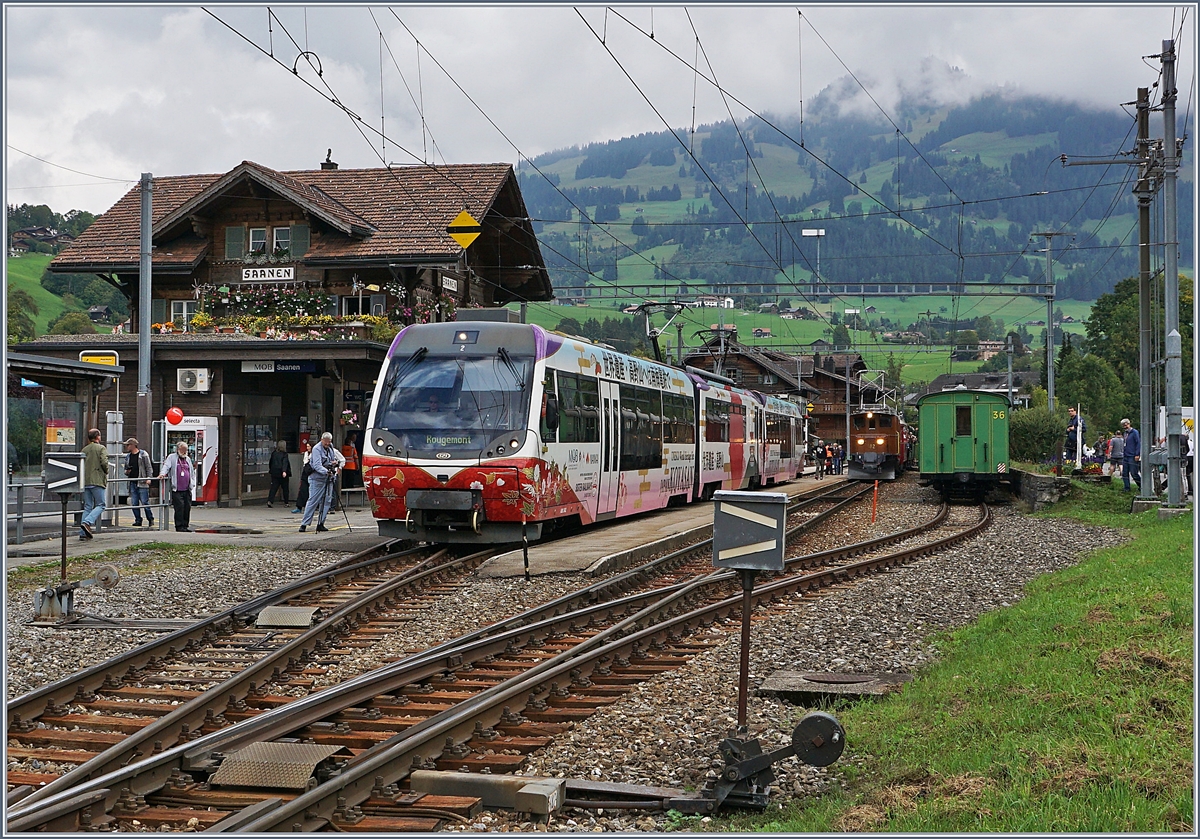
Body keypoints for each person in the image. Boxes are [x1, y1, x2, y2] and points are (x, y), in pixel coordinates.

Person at [300, 431, 345, 533]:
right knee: (313, 501)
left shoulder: (330, 448)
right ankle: (304, 524)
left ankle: (321, 523)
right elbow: (316, 465)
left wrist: (335, 463)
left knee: (327, 501)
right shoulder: (316, 449)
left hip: (328, 479)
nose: (327, 444)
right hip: (317, 479)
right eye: (325, 442)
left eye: (329, 442)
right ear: (321, 440)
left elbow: (333, 459)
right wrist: (326, 471)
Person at [159, 441, 195, 532]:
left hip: (187, 488)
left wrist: (193, 483)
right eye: (183, 449)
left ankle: (185, 525)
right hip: (177, 489)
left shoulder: (187, 459)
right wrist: (162, 474)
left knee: (187, 507)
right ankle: (179, 526)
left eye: (185, 450)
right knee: (180, 507)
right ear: (178, 449)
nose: (184, 451)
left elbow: (191, 472)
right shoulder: (172, 457)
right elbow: (166, 466)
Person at [79, 428, 108, 540]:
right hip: (97, 480)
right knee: (101, 504)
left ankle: (83, 533)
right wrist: (106, 471)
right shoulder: (101, 448)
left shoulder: (84, 450)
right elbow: (104, 462)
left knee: (87, 506)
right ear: (98, 437)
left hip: (85, 481)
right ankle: (88, 522)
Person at [123, 437, 155, 527]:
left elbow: (148, 467)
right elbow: (125, 469)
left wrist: (149, 478)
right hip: (132, 482)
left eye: (128, 445)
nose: (127, 447)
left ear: (133, 445)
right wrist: (127, 471)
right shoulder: (128, 456)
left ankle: (150, 518)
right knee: (134, 503)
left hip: (142, 481)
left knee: (145, 502)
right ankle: (138, 519)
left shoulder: (143, 454)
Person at [267, 440, 291, 508]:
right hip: (282, 473)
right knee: (285, 488)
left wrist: (271, 470)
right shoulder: (284, 454)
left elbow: (270, 462)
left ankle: (270, 500)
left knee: (274, 487)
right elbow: (285, 463)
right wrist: (284, 471)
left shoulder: (274, 453)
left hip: (274, 472)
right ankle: (286, 502)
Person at [1120, 418, 1141, 492]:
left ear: (1129, 424)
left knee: (1134, 473)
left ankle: (1141, 486)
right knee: (1124, 473)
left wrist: (1137, 454)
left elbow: (1138, 443)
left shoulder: (1134, 432)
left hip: (1132, 455)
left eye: (1126, 425)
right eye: (1123, 425)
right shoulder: (1125, 433)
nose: (1125, 426)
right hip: (1126, 455)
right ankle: (1127, 488)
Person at [292, 441, 313, 513]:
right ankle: (299, 507)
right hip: (306, 472)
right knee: (302, 490)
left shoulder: (315, 454)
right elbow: (305, 462)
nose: (308, 448)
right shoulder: (306, 454)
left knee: (312, 492)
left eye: (309, 446)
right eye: (307, 446)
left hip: (313, 473)